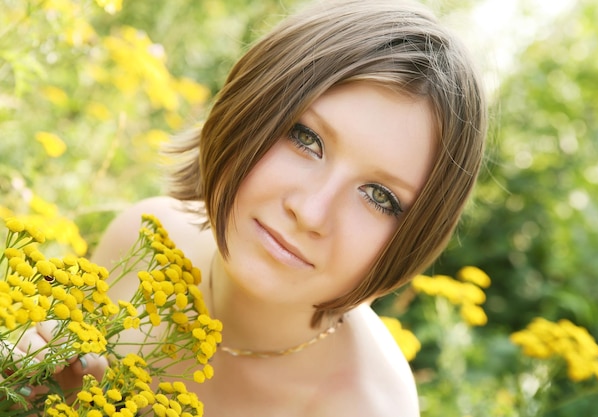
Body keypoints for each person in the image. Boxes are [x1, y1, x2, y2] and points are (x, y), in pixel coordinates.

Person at [13, 0, 487, 415]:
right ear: (250, 109)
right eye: (307, 139)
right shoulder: (142, 241)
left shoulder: (364, 406)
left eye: (379, 197)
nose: (312, 212)